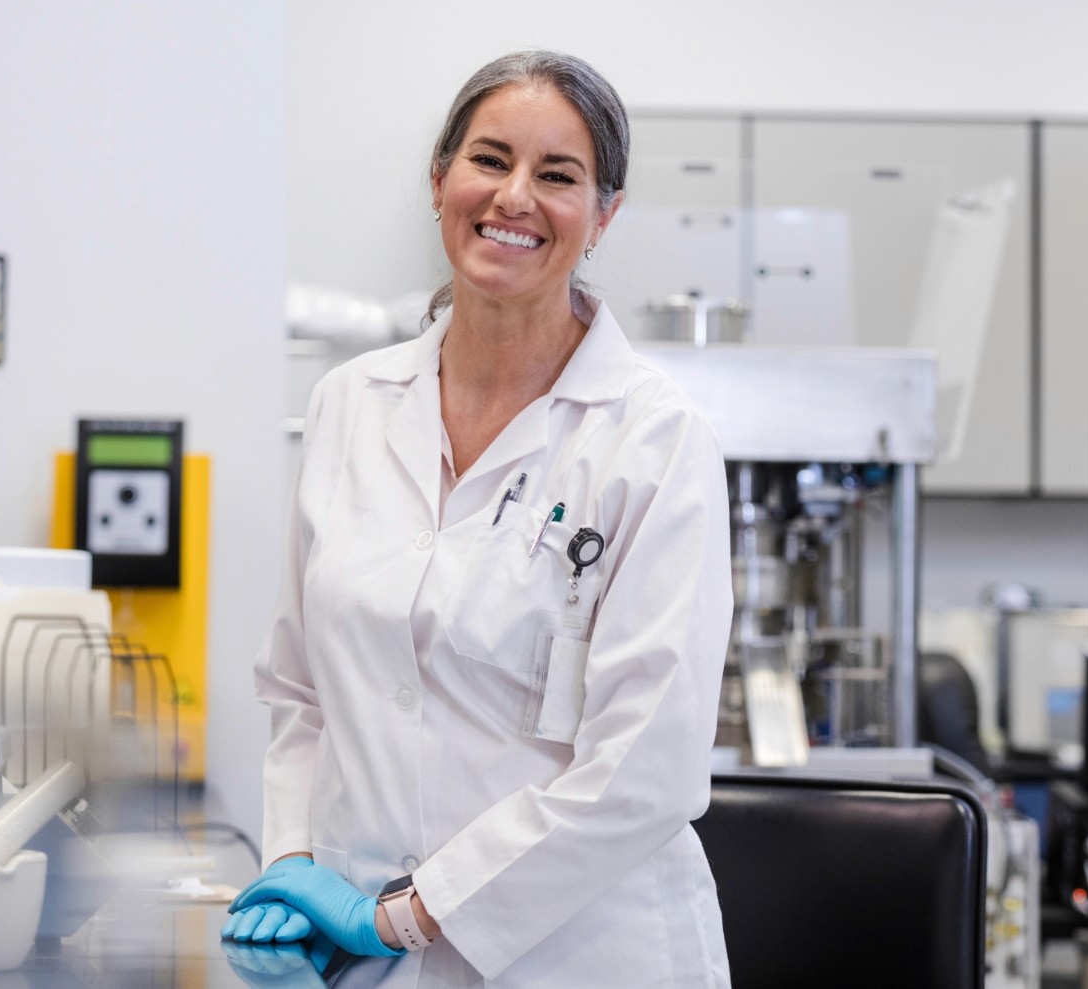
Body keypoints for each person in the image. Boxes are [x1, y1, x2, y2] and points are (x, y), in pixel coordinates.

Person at [223, 50, 732, 987]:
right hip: (364, 952)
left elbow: (645, 768)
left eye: (558, 175)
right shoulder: (349, 404)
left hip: (584, 959)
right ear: (439, 180)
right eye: (490, 160)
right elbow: (299, 688)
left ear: (604, 214)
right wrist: (294, 864)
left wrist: (412, 913)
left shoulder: (656, 441)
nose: (515, 197)